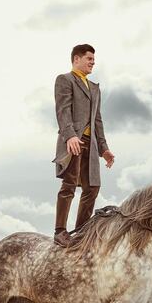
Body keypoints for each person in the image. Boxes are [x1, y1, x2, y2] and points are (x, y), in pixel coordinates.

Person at [52, 44, 115, 247]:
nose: (93, 62)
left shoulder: (95, 88)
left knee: (93, 187)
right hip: (73, 140)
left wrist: (104, 149)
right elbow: (63, 111)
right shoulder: (65, 80)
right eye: (89, 59)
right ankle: (60, 231)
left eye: (93, 60)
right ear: (76, 59)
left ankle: (80, 232)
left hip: (92, 144)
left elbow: (98, 120)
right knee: (69, 184)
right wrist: (69, 135)